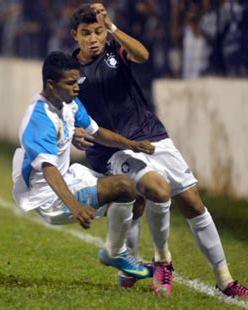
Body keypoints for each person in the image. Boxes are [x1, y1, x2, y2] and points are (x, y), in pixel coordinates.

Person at [69, 3, 248, 300]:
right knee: (145, 194)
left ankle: (225, 281)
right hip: (113, 150)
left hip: (152, 135)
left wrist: (114, 28)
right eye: (85, 33)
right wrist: (73, 134)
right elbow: (65, 114)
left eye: (98, 32)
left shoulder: (114, 52)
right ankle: (156, 260)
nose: (93, 38)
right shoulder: (70, 71)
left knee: (193, 204)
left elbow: (142, 55)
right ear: (74, 35)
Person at [11, 51, 156, 280]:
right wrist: (75, 206)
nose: (77, 87)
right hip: (49, 197)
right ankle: (115, 253)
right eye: (70, 83)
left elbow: (96, 132)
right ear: (50, 85)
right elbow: (48, 170)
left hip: (67, 177)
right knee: (124, 186)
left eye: (77, 81)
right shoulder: (40, 119)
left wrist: (131, 144)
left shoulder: (69, 103)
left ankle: (124, 264)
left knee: (136, 197)